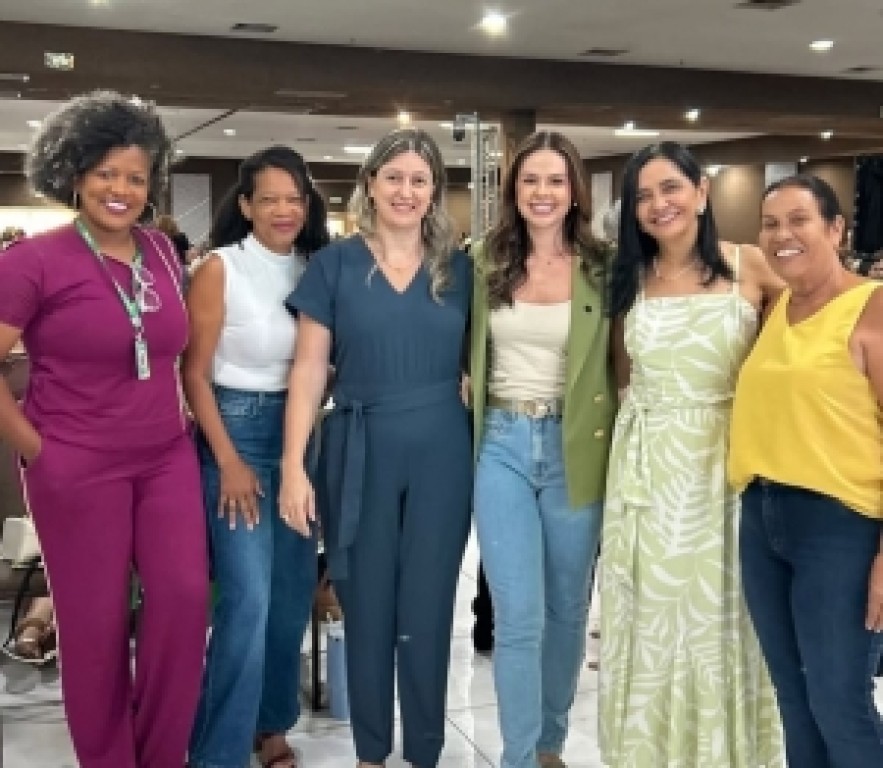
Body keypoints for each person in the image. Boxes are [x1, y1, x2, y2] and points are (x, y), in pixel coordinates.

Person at [0, 90, 208, 768]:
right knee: (93, 627)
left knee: (183, 599)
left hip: (164, 457)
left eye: (136, 177)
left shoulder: (162, 252)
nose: (120, 189)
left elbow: (171, 351)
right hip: (74, 464)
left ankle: (162, 756)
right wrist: (40, 452)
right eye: (105, 173)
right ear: (73, 172)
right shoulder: (32, 261)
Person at [279, 127, 472, 768]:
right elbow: (309, 368)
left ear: (434, 191)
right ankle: (369, 752)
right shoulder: (334, 265)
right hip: (358, 448)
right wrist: (292, 466)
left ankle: (425, 751)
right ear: (370, 184)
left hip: (442, 451)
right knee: (364, 603)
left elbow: (485, 359)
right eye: (394, 177)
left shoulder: (459, 270)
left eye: (419, 180)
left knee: (428, 604)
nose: (406, 191)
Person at [599, 141, 784, 767]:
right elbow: (623, 376)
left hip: (726, 468)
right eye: (643, 196)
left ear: (702, 192)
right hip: (649, 470)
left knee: (723, 617)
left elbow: (804, 341)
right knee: (654, 617)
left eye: (671, 188)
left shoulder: (751, 264)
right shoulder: (627, 279)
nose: (659, 204)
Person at [469, 131, 614, 768]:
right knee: (518, 614)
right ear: (514, 190)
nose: (543, 192)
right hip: (502, 442)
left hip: (574, 445)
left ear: (574, 190)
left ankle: (551, 743)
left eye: (556, 180)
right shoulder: (485, 260)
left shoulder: (604, 267)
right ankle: (519, 756)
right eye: (530, 180)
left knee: (567, 610)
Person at [729, 174, 883, 768]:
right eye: (770, 224)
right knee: (793, 701)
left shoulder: (871, 307)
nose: (782, 235)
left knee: (839, 703)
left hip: (840, 529)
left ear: (836, 229)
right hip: (762, 520)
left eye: (799, 220)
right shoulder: (776, 307)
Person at [183, 146, 329, 768]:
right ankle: (217, 748)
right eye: (269, 198)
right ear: (245, 205)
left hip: (299, 439)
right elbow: (193, 374)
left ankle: (272, 724)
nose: (283, 210)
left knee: (291, 596)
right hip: (234, 432)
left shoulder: (315, 268)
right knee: (247, 600)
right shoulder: (220, 268)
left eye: (294, 198)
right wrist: (228, 460)